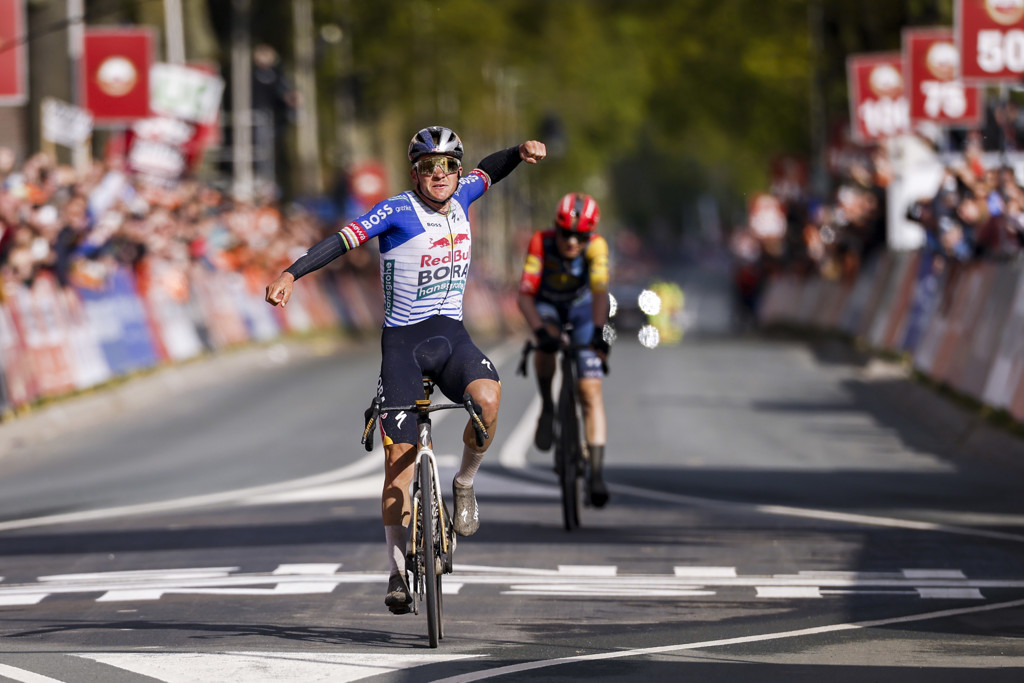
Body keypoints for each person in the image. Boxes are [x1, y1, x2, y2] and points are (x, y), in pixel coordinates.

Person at [265, 126, 546, 614]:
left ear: (458, 171)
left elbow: (492, 167)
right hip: (402, 345)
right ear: (414, 172)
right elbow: (341, 241)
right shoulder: (397, 211)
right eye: (427, 167)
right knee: (398, 466)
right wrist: (292, 273)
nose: (439, 176)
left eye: (448, 166)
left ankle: (463, 484)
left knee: (489, 399)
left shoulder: (466, 193)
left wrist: (519, 153)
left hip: (452, 337)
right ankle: (396, 571)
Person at [516, 192, 611, 507]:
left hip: (583, 310)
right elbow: (525, 295)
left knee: (590, 389)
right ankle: (547, 403)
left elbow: (600, 293)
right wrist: (539, 331)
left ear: (590, 235)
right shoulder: (540, 243)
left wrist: (598, 333)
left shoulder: (597, 247)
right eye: (566, 234)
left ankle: (596, 474)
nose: (572, 242)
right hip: (548, 306)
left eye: (580, 236)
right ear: (555, 228)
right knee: (545, 347)